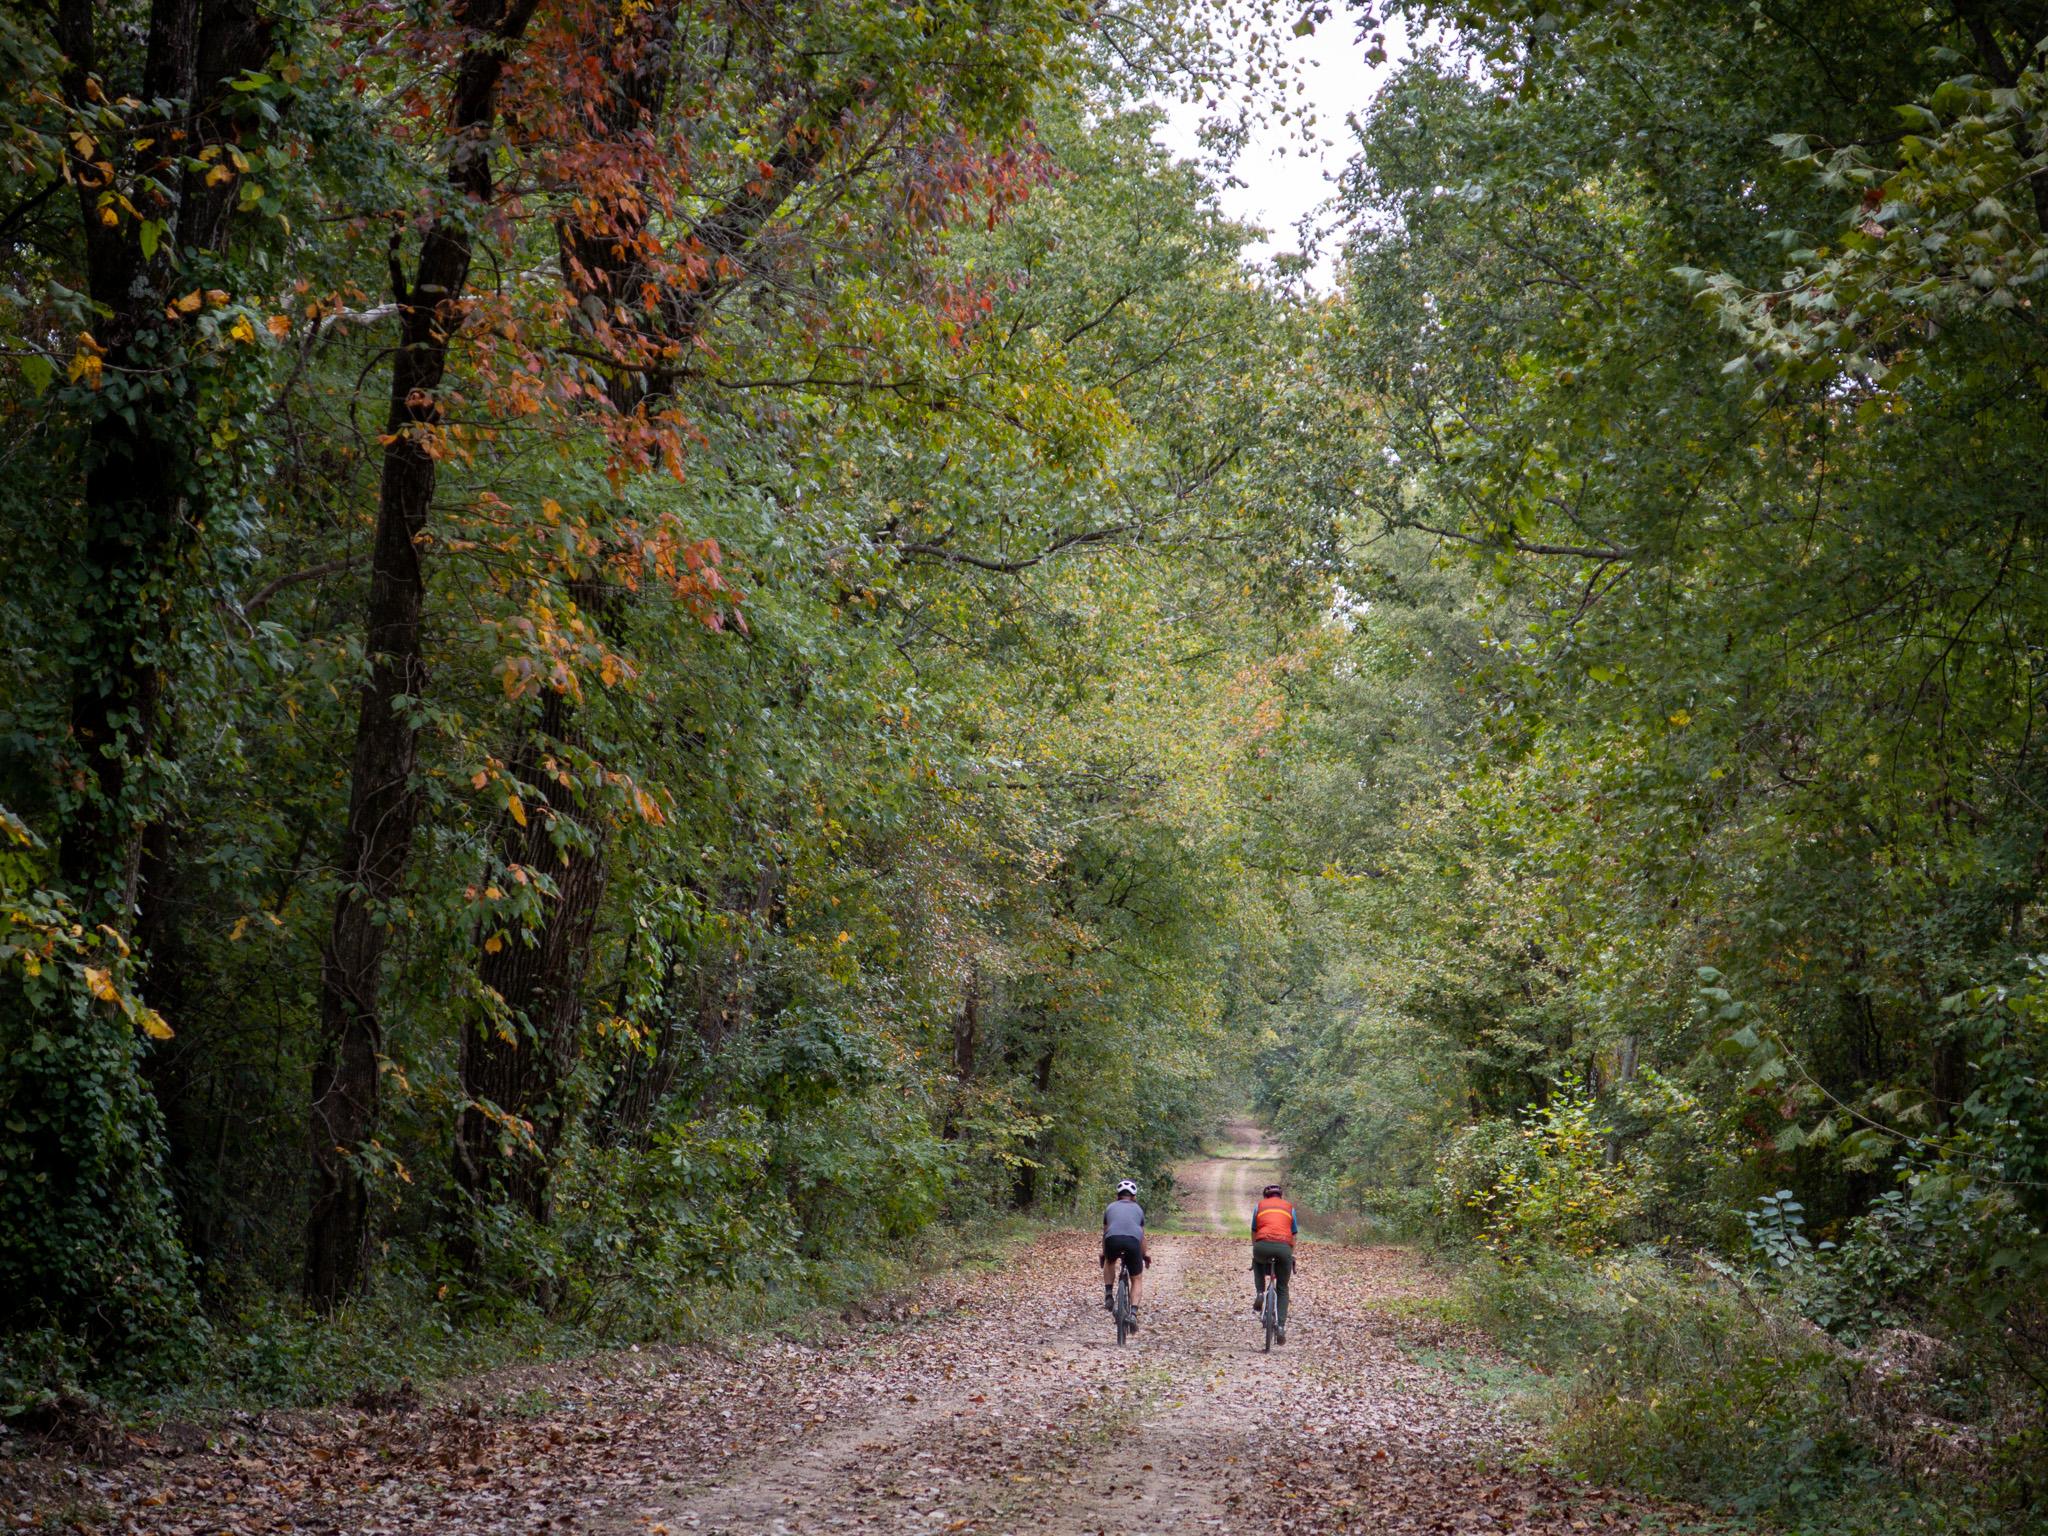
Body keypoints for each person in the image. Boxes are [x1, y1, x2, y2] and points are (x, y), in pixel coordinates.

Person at [1251, 1181, 1297, 1343]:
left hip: (1262, 1246)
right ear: (1280, 1195)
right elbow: (1294, 1233)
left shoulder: (1260, 1206)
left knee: (1257, 1261)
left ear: (1266, 1195)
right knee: (1283, 1287)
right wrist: (1290, 1253)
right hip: (1284, 1248)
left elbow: (1254, 1231)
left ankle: (1259, 1293)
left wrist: (1256, 1247)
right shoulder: (1289, 1207)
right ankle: (1282, 1326)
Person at [1101, 1178, 1149, 1330]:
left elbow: (1105, 1233)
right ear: (1134, 1197)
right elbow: (1141, 1237)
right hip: (1133, 1241)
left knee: (1110, 1261)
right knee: (1136, 1278)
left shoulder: (1110, 1208)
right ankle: (1133, 1314)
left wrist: (1105, 1254)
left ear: (1117, 1196)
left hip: (1112, 1239)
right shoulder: (1138, 1210)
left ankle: (1109, 1294)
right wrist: (1145, 1255)